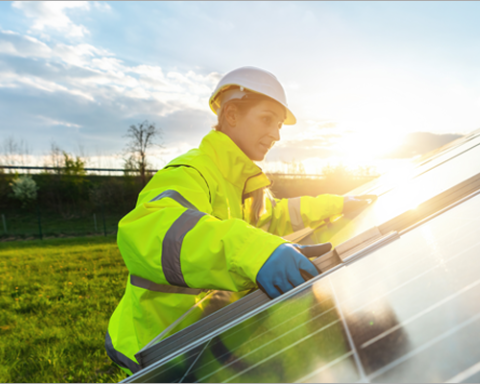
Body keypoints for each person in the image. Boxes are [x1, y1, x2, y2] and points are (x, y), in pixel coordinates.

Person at [104, 66, 376, 375]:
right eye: (266, 119)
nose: (275, 134)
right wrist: (253, 252)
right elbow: (149, 231)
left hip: (203, 338)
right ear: (231, 114)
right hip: (160, 346)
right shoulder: (191, 171)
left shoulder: (245, 183)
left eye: (279, 125)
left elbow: (277, 216)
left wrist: (337, 203)